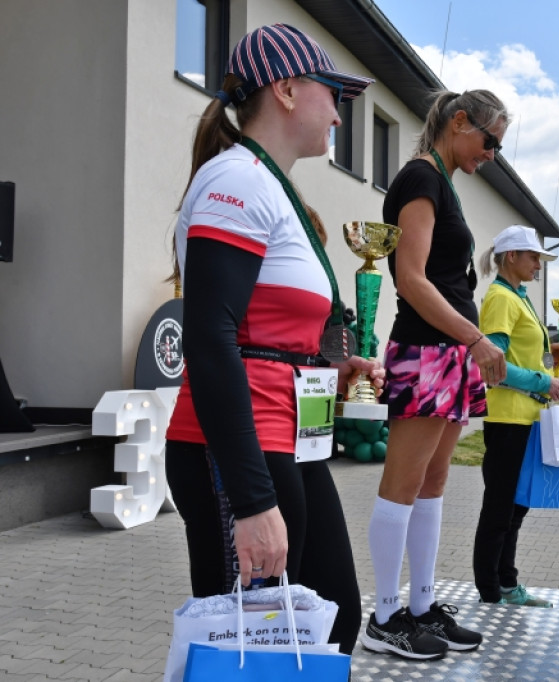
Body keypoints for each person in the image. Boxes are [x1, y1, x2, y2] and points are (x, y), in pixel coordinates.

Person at [164, 24, 380, 654]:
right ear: (286, 89)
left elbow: (265, 329)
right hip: (240, 448)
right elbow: (209, 339)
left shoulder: (273, 189)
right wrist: (253, 502)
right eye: (333, 91)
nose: (339, 114)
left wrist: (325, 366)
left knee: (330, 624)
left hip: (287, 434)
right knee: (252, 649)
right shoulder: (237, 182)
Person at [361, 89, 510, 660]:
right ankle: (383, 618)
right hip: (427, 350)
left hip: (450, 354)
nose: (492, 155)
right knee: (402, 484)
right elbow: (412, 279)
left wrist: (468, 344)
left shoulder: (442, 182)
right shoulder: (420, 178)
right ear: (459, 122)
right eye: (489, 141)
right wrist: (474, 338)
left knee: (434, 483)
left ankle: (422, 606)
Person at [471, 226, 559, 608]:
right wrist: (542, 380)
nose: (539, 266)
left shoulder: (517, 296)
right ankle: (491, 590)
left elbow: (515, 354)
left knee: (515, 507)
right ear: (511, 256)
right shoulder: (501, 298)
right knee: (500, 507)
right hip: (508, 418)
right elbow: (491, 365)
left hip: (525, 418)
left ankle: (507, 583)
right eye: (534, 258)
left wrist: (546, 359)